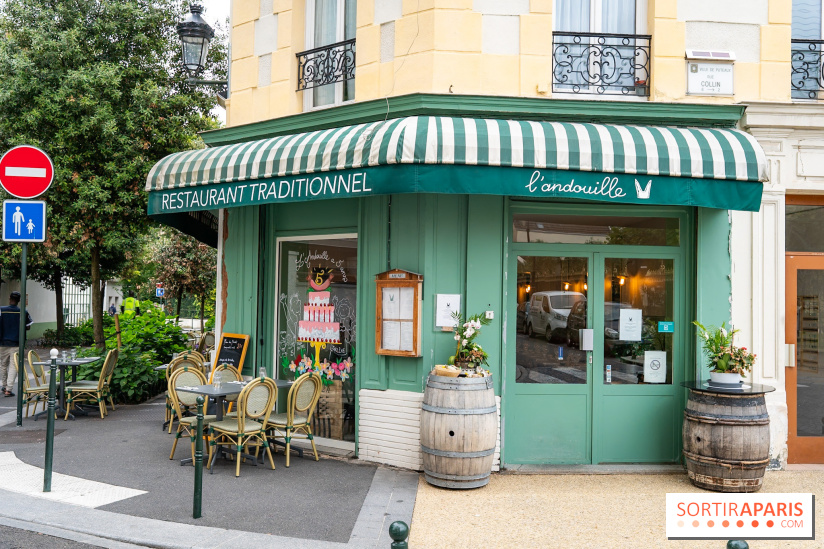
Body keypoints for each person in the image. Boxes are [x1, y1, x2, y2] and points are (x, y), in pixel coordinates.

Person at [0, 291, 33, 397]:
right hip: (16, 342)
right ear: (19, 300)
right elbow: (28, 326)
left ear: (9, 298)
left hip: (2, 342)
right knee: (14, 365)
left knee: (3, 365)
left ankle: (4, 385)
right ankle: (8, 389)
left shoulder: (2, 310)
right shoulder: (23, 311)